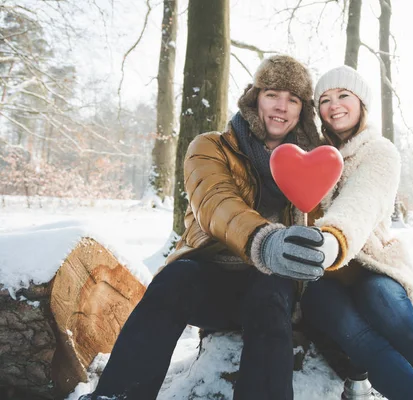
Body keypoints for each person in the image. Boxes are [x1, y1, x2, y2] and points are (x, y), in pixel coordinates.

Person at [80, 55, 335, 400]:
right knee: (174, 279)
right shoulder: (211, 146)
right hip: (212, 279)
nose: (281, 107)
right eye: (273, 94)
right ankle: (118, 395)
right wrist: (265, 240)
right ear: (254, 96)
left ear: (302, 110)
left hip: (271, 295)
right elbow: (215, 201)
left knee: (271, 288)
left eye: (293, 100)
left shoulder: (317, 164)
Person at [299, 65, 413, 400]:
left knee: (383, 299)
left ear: (361, 102)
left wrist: (331, 237)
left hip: (370, 261)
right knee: (354, 332)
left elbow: (361, 204)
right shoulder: (308, 154)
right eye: (324, 99)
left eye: (343, 95)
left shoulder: (380, 151)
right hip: (319, 273)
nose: (334, 104)